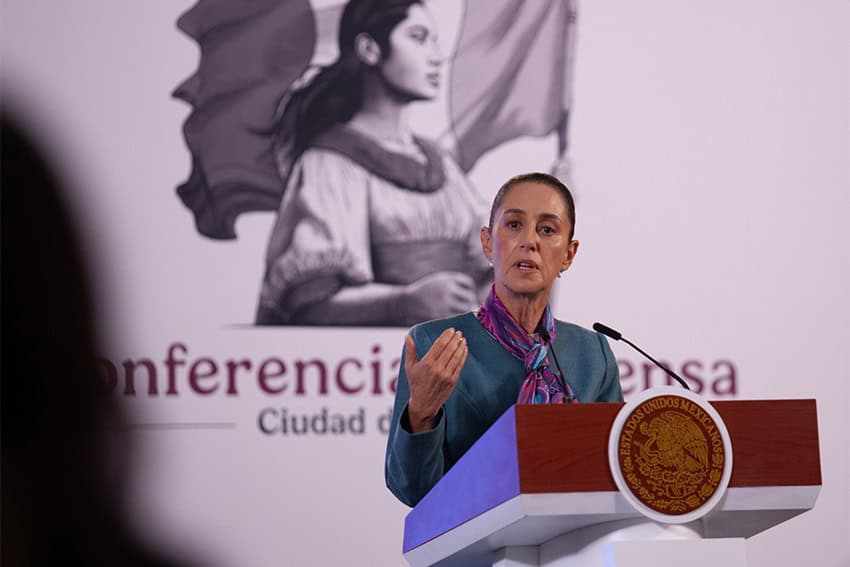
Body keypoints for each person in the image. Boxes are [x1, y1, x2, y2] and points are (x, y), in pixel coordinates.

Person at [384, 172, 624, 507]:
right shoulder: (434, 343)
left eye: (547, 229)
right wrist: (421, 413)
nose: (529, 241)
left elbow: (614, 474)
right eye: (513, 225)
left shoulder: (592, 353)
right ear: (486, 242)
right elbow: (413, 490)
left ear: (568, 255)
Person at [255, 0, 491, 326]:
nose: (437, 56)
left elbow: (489, 278)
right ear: (369, 49)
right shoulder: (329, 165)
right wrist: (405, 302)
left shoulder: (442, 167)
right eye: (418, 37)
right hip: (367, 367)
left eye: (434, 40)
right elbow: (310, 303)